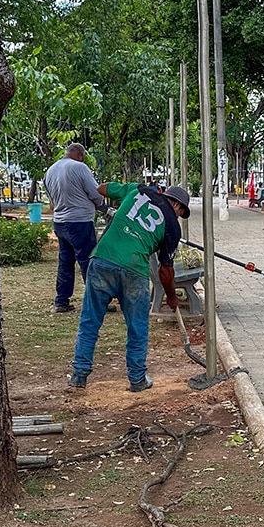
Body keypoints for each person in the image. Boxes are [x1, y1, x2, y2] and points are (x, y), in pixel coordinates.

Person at [68, 183, 191, 392]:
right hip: (134, 270)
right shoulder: (172, 227)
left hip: (102, 261)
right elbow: (165, 270)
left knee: (90, 322)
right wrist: (171, 296)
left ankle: (79, 375)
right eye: (181, 212)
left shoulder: (138, 190)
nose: (178, 216)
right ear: (177, 204)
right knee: (137, 327)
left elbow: (101, 189)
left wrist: (118, 206)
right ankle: (137, 379)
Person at [44, 143, 106, 313]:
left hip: (60, 222)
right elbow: (95, 194)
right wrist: (103, 207)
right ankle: (98, 302)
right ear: (80, 155)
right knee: (88, 261)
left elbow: (51, 201)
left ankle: (61, 301)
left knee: (65, 262)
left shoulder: (50, 171)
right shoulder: (79, 167)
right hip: (80, 222)